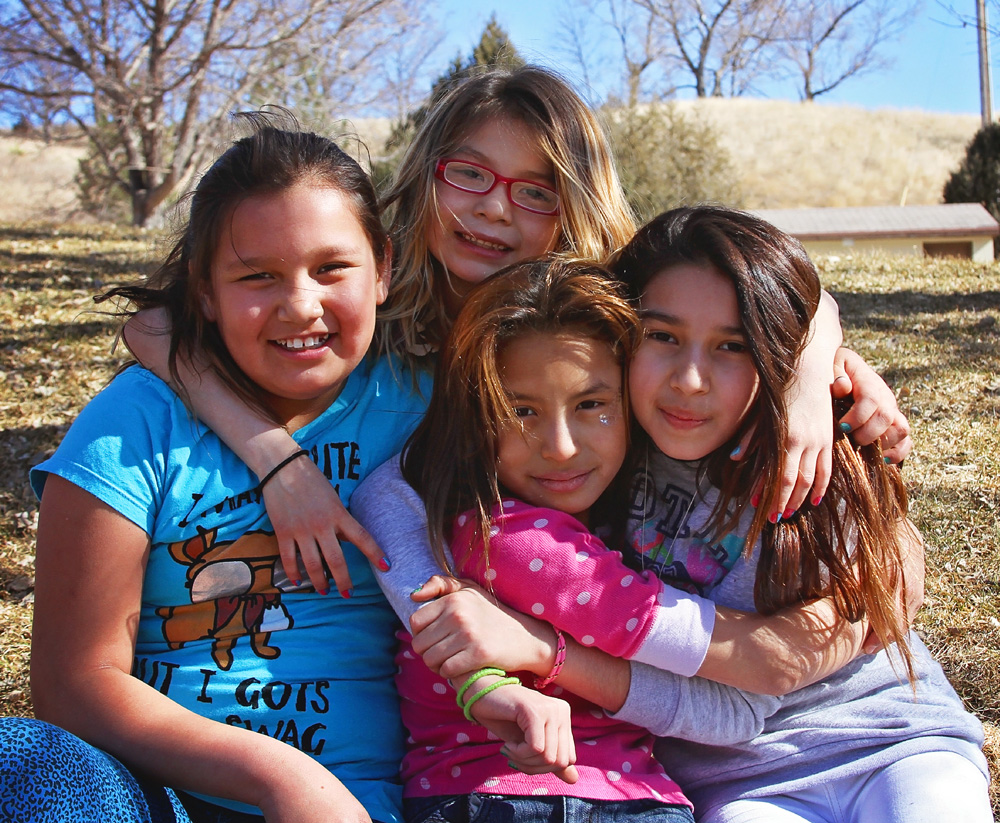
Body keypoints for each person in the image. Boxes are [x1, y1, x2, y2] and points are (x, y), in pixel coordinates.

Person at [122, 66, 912, 609]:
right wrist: (278, 462)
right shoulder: (372, 303)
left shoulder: (598, 311)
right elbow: (152, 321)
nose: (496, 209)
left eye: (535, 192)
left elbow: (762, 291)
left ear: (572, 209)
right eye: (470, 173)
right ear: (429, 171)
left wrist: (813, 366)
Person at [401, 206, 992, 823]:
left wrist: (811, 378)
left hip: (894, 740)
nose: (689, 380)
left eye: (732, 347)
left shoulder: (807, 451)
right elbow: (407, 480)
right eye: (662, 337)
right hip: (736, 781)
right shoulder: (595, 458)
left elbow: (799, 300)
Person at [0, 116, 442, 823]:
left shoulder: (427, 403)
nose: (300, 304)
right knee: (22, 763)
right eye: (256, 276)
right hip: (161, 795)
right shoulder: (137, 422)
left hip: (385, 800)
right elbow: (71, 681)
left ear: (383, 267)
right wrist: (282, 778)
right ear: (204, 291)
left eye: (331, 268)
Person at [378, 256, 739, 823]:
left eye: (591, 405)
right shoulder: (508, 540)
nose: (561, 446)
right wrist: (805, 644)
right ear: (475, 421)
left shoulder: (624, 523)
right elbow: (729, 695)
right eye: (521, 411)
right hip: (520, 800)